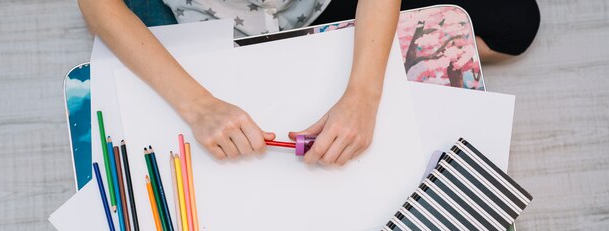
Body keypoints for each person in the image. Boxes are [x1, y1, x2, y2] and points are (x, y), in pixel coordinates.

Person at [79, 0, 539, 166]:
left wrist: (364, 93)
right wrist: (198, 105)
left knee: (513, 25)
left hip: (316, 6)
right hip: (202, 15)